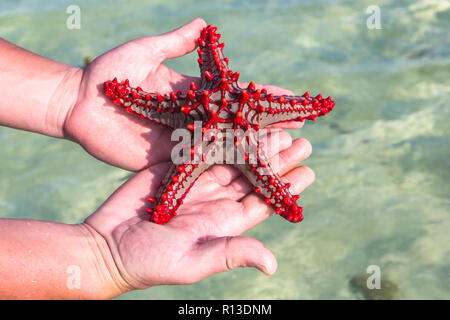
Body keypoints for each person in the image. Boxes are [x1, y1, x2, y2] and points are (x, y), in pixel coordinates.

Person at [0, 18, 315, 299]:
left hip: (205, 135)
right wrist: (104, 263)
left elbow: (180, 88)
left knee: (188, 171)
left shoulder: (190, 117)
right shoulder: (238, 110)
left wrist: (73, 96)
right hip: (218, 134)